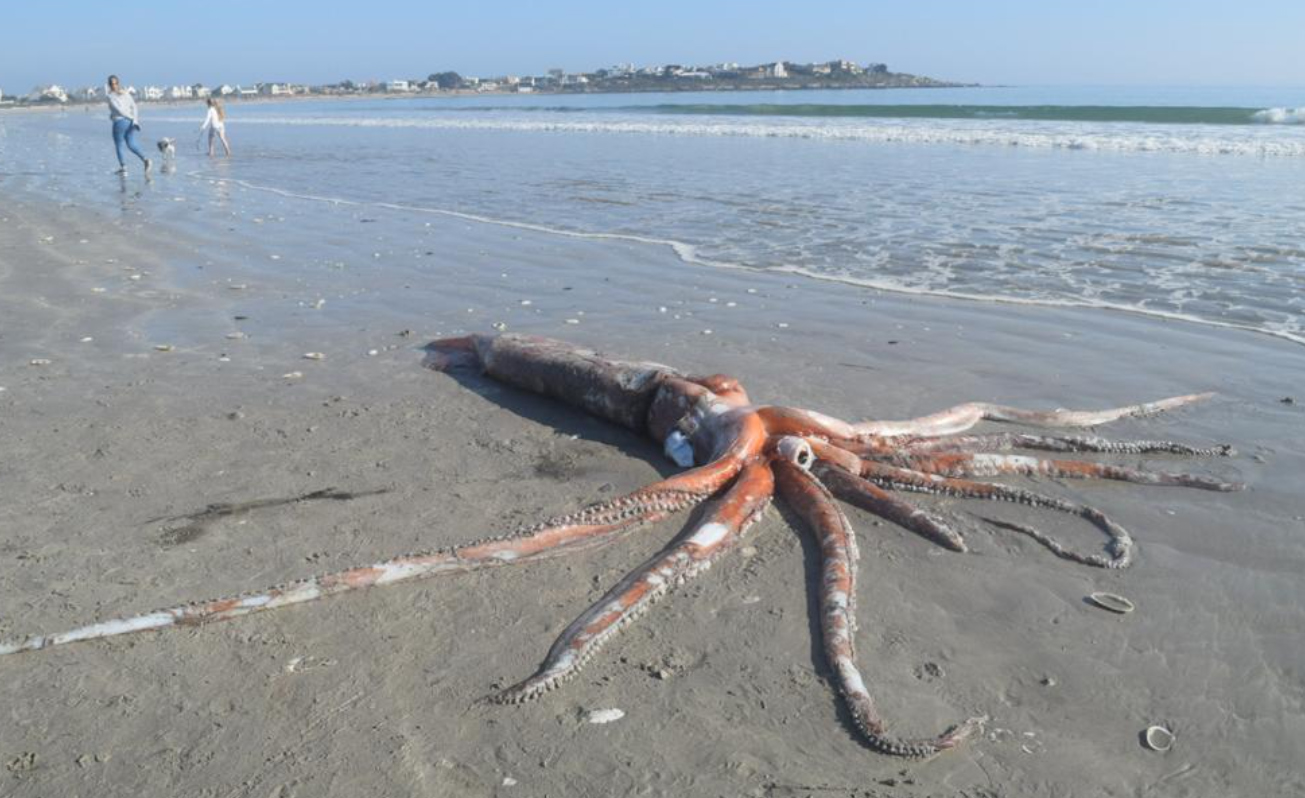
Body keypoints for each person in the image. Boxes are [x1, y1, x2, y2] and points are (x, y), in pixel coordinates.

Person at [106, 75, 150, 174]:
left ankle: (123, 167)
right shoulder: (126, 93)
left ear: (118, 83)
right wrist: (135, 120)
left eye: (115, 83)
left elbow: (119, 110)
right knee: (131, 143)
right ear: (109, 85)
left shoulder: (110, 96)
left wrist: (132, 119)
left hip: (120, 122)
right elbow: (134, 106)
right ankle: (145, 159)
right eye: (112, 84)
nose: (114, 85)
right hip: (130, 122)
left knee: (119, 145)